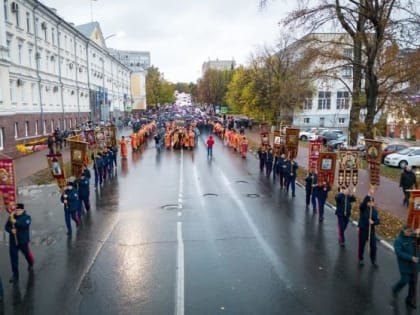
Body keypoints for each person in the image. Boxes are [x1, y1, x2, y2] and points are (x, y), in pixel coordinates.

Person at [5, 203, 35, 284]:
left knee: (26, 254)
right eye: (16, 210)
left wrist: (16, 222)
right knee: (13, 258)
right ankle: (15, 275)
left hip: (23, 241)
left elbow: (24, 225)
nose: (17, 212)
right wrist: (11, 230)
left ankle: (30, 262)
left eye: (18, 210)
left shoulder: (27, 218)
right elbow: (6, 226)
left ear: (22, 210)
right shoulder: (12, 216)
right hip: (13, 242)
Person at [392, 225, 420, 309]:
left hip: (415, 265)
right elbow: (399, 253)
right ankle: (395, 289)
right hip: (405, 265)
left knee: (413, 283)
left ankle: (409, 300)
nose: (410, 233)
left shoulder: (413, 237)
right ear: (403, 231)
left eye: (411, 231)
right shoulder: (398, 241)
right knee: (404, 280)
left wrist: (418, 234)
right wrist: (411, 258)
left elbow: (419, 241)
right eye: (408, 232)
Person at [358, 195, 380, 267]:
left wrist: (373, 222)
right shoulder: (363, 208)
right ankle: (361, 258)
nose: (371, 203)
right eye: (369, 202)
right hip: (363, 229)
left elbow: (378, 220)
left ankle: (373, 260)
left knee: (373, 246)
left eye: (372, 202)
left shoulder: (375, 211)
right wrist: (368, 195)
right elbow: (363, 204)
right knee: (362, 245)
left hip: (371, 231)